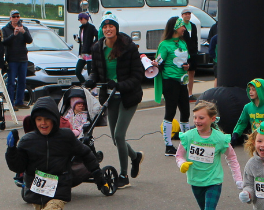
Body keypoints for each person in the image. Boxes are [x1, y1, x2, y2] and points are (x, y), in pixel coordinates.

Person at [4, 96, 109, 210]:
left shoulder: (65, 137)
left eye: (47, 119)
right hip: (37, 189)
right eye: (38, 120)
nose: (43, 123)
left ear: (54, 119)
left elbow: (85, 153)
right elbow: (17, 166)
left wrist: (98, 176)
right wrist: (11, 150)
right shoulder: (28, 140)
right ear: (34, 121)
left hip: (58, 187)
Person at [175, 100, 243, 210]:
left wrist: (239, 180)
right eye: (195, 117)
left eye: (202, 118)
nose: (197, 121)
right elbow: (179, 155)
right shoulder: (189, 136)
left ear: (213, 119)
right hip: (195, 182)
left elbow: (232, 158)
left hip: (214, 182)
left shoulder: (219, 138)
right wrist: (182, 164)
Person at [85, 15, 145, 188]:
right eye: (105, 26)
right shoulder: (97, 47)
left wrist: (119, 85)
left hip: (128, 96)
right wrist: (91, 80)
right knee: (115, 138)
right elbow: (95, 71)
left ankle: (124, 175)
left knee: (119, 135)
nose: (108, 29)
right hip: (110, 97)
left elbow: (137, 76)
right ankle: (135, 157)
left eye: (111, 26)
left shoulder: (129, 47)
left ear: (116, 28)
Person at [155, 15, 193, 157]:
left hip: (183, 81)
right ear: (176, 27)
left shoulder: (183, 43)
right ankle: (168, 146)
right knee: (170, 112)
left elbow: (186, 61)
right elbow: (158, 61)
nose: (184, 28)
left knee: (186, 112)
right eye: (182, 26)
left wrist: (187, 66)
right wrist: (154, 64)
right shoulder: (165, 45)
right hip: (169, 81)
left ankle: (186, 144)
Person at [1, 10, 32, 108]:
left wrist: (24, 32)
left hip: (23, 58)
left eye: (17, 16)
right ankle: (11, 103)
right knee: (11, 82)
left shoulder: (24, 28)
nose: (16, 18)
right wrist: (13, 35)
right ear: (10, 18)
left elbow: (30, 40)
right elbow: (4, 42)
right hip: (12, 59)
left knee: (22, 81)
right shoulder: (5, 29)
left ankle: (19, 101)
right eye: (14, 17)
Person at [179, 7, 199, 100]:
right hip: (184, 52)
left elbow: (195, 39)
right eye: (185, 14)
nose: (188, 15)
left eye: (189, 14)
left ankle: (190, 93)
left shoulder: (193, 26)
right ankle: (184, 93)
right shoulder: (181, 26)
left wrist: (196, 49)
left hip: (193, 52)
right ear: (182, 16)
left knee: (192, 73)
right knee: (184, 72)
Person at [75, 12, 97, 83]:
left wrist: (92, 46)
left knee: (90, 73)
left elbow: (98, 36)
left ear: (86, 19)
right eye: (79, 19)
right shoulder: (81, 28)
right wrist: (77, 39)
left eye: (81, 19)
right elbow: (83, 41)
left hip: (89, 53)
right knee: (77, 71)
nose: (80, 20)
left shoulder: (91, 27)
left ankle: (92, 88)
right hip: (82, 53)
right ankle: (84, 84)